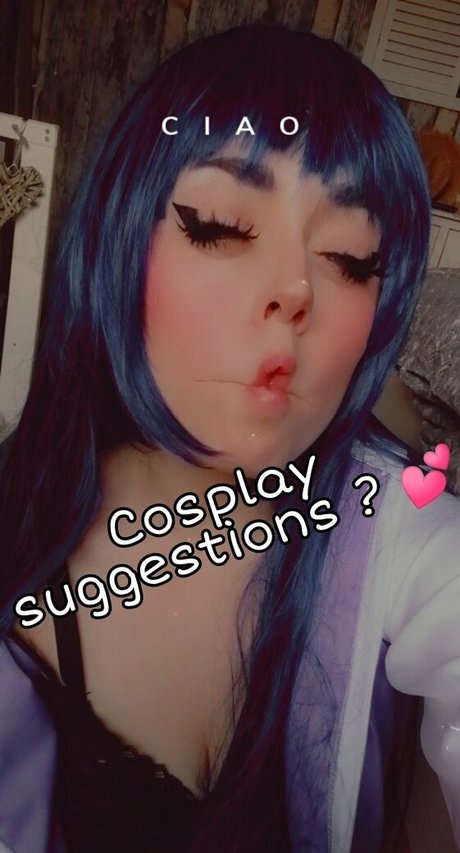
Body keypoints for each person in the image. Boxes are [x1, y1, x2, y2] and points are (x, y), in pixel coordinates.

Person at [0, 22, 458, 853]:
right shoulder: (20, 529)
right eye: (218, 224)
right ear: (120, 236)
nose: (295, 288)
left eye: (351, 256)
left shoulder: (399, 540)